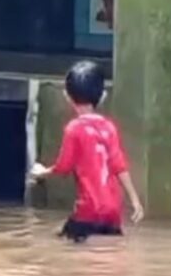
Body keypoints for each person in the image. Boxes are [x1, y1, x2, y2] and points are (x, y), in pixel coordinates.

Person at [30, 61, 144, 242]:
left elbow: (63, 167)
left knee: (58, 241)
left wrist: (42, 172)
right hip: (112, 213)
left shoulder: (74, 129)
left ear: (67, 95)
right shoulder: (109, 127)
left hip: (88, 211)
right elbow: (119, 166)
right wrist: (135, 200)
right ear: (102, 96)